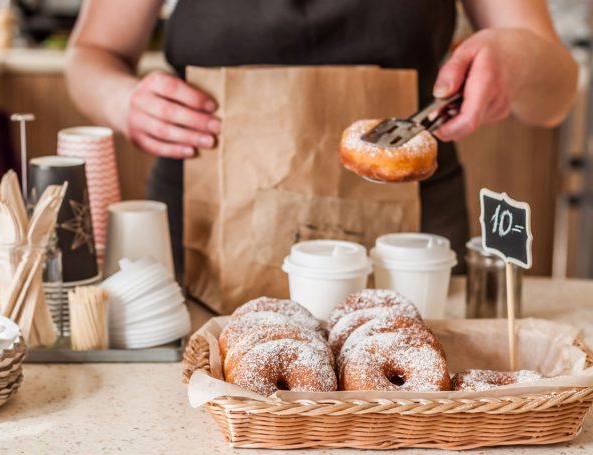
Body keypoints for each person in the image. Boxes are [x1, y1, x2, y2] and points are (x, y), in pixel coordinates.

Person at [66, 0, 577, 277]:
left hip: (410, 240)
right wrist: (123, 101)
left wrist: (519, 57)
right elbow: (91, 53)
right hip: (205, 231)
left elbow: (556, 95)